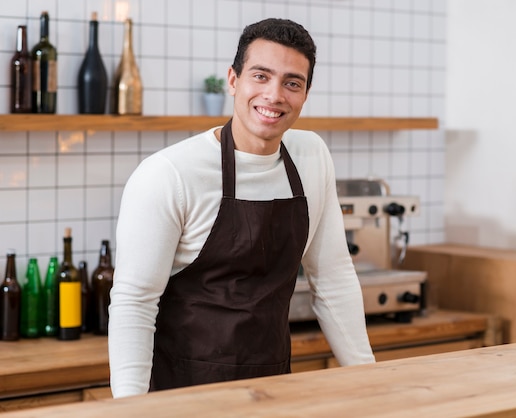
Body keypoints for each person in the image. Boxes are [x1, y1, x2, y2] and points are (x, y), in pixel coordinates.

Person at [108, 18, 375, 398]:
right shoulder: (169, 174)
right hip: (181, 395)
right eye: (261, 76)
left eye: (292, 83)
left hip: (273, 388)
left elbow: (332, 278)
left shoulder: (311, 156)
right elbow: (135, 302)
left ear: (305, 93)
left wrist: (370, 381)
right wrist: (131, 409)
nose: (275, 95)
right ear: (233, 80)